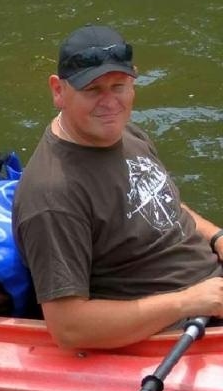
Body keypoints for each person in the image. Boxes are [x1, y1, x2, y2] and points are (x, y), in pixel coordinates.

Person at [13, 25, 223, 349]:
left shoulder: (125, 134)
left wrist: (216, 237)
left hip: (208, 292)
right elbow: (69, 328)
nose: (110, 103)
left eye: (119, 86)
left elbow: (164, 204)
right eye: (93, 90)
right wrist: (188, 301)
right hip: (183, 327)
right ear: (58, 91)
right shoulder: (53, 196)